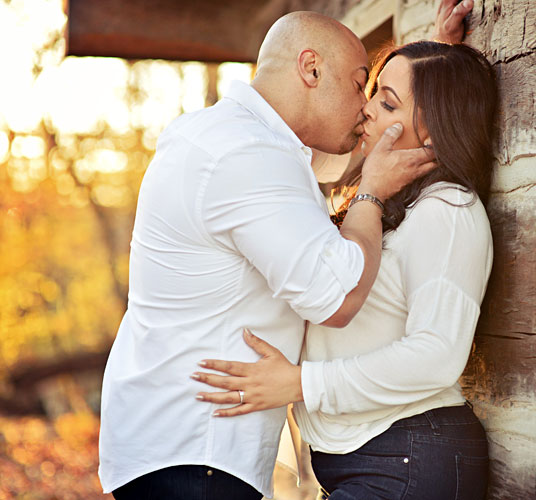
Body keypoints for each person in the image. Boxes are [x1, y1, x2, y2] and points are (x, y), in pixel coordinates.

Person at [97, 11, 439, 500]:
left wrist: (435, 72)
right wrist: (373, 193)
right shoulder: (248, 155)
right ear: (311, 69)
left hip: (176, 444)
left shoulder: (236, 137)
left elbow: (358, 150)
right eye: (361, 85)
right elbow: (338, 297)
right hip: (197, 455)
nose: (366, 110)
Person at [193, 35, 498, 499]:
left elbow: (438, 354)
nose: (368, 109)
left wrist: (301, 383)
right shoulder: (391, 205)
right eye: (372, 91)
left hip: (410, 456)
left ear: (435, 126)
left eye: (387, 102)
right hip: (375, 458)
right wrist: (436, 57)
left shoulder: (448, 211)